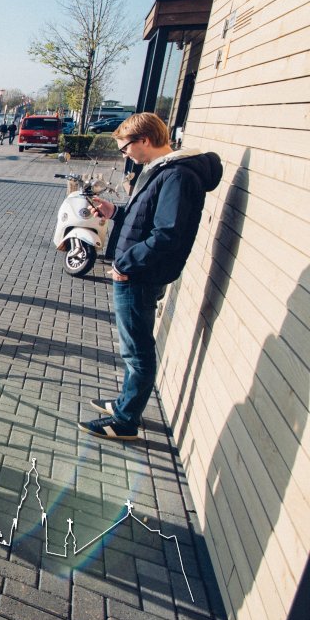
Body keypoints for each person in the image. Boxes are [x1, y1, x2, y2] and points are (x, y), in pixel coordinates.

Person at [80, 113, 222, 440]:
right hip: (139, 272)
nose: (125, 155)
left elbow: (166, 234)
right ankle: (124, 404)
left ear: (144, 140)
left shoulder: (177, 175)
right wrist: (116, 212)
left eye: (126, 148)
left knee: (137, 351)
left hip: (139, 276)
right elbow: (148, 219)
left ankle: (125, 421)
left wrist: (125, 264)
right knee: (133, 347)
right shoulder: (164, 170)